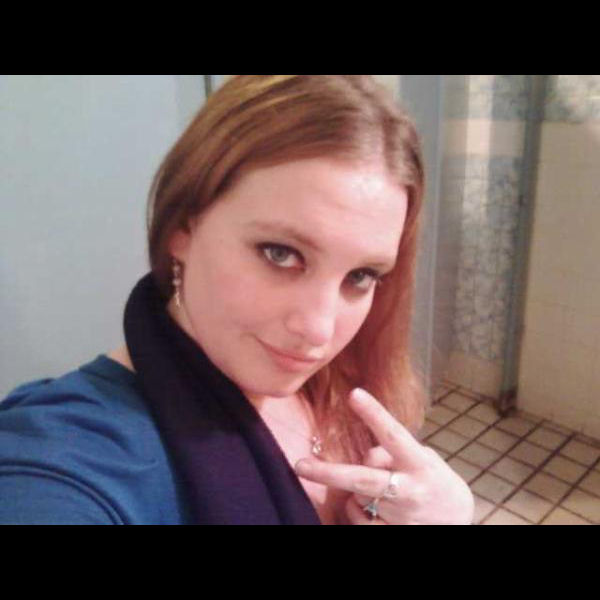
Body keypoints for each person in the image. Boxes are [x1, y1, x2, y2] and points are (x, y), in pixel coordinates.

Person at [0, 75, 474, 525]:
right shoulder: (71, 461)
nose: (320, 330)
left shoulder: (342, 383)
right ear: (183, 227)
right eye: (280, 253)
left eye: (361, 276)